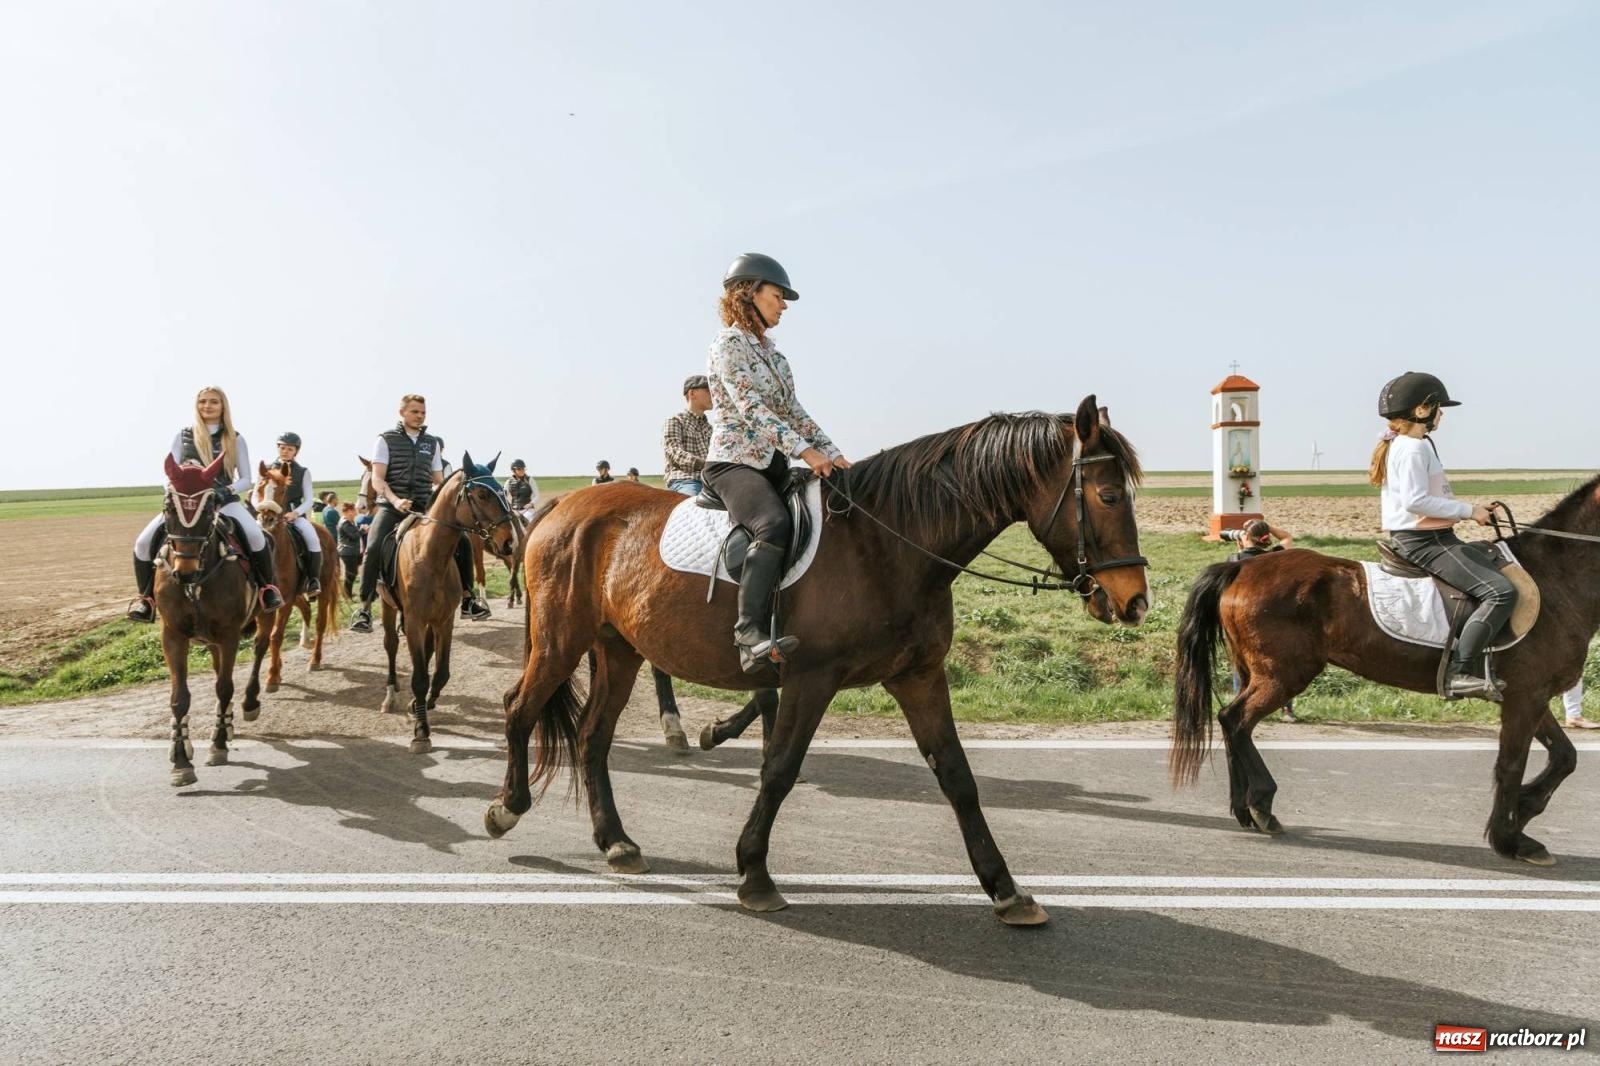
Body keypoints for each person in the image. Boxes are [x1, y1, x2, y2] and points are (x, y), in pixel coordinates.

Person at [704, 252, 850, 673]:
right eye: (777, 295)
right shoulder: (728, 345)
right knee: (773, 523)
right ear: (748, 293)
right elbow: (751, 408)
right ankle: (748, 634)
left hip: (773, 465)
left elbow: (795, 413)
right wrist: (806, 451)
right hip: (733, 463)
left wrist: (834, 454)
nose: (783, 305)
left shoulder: (777, 358)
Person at [1371, 371, 1513, 701]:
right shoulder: (1413, 448)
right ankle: (1458, 673)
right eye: (1439, 408)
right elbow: (1415, 501)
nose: (1441, 415)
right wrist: (1469, 511)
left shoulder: (1411, 446)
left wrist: (1474, 509)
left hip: (1435, 536)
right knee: (1500, 592)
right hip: (1426, 542)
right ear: (1422, 410)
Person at [128, 385, 283, 621]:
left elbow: (246, 479)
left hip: (223, 502)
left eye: (213, 401)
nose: (207, 406)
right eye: (203, 401)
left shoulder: (235, 438)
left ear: (223, 406)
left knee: (256, 536)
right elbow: (168, 473)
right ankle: (146, 599)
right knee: (142, 542)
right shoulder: (183, 436)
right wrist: (175, 492)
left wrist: (224, 491)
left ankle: (266, 590)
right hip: (185, 505)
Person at [349, 393, 490, 633]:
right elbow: (377, 479)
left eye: (423, 412)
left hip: (424, 507)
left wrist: (446, 493)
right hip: (392, 507)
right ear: (402, 412)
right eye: (415, 411)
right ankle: (364, 608)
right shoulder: (385, 440)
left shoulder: (431, 442)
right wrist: (395, 500)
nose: (420, 416)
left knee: (463, 541)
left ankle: (468, 599)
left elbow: (438, 479)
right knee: (373, 545)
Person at [1223, 519, 1298, 723]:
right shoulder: (1276, 555)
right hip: (1275, 617)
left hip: (1244, 618)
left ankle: (1240, 704)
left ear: (1246, 537)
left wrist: (1242, 543)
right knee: (1282, 663)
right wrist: (1266, 525)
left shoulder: (1235, 560)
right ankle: (1286, 710)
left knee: (1241, 661)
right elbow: (1287, 537)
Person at [267, 432, 322, 596]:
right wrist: (261, 507)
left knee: (313, 539)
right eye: (282, 448)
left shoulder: (303, 472)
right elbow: (256, 494)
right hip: (268, 516)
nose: (285, 451)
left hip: (293, 516)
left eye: (290, 449)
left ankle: (312, 580)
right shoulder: (267, 469)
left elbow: (309, 499)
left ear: (296, 451)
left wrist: (295, 513)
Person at [663, 374, 713, 495]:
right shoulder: (675, 421)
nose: (713, 395)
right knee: (694, 504)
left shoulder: (710, 428)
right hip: (686, 479)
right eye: (708, 391)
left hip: (711, 482)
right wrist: (705, 464)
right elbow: (674, 453)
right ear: (692, 393)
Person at [337, 502, 364, 599]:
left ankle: (347, 593)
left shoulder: (348, 521)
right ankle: (347, 595)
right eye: (354, 510)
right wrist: (363, 530)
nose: (356, 513)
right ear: (349, 511)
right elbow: (354, 536)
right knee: (350, 574)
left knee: (353, 573)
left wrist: (360, 529)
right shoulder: (345, 523)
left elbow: (354, 532)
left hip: (351, 551)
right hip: (348, 552)